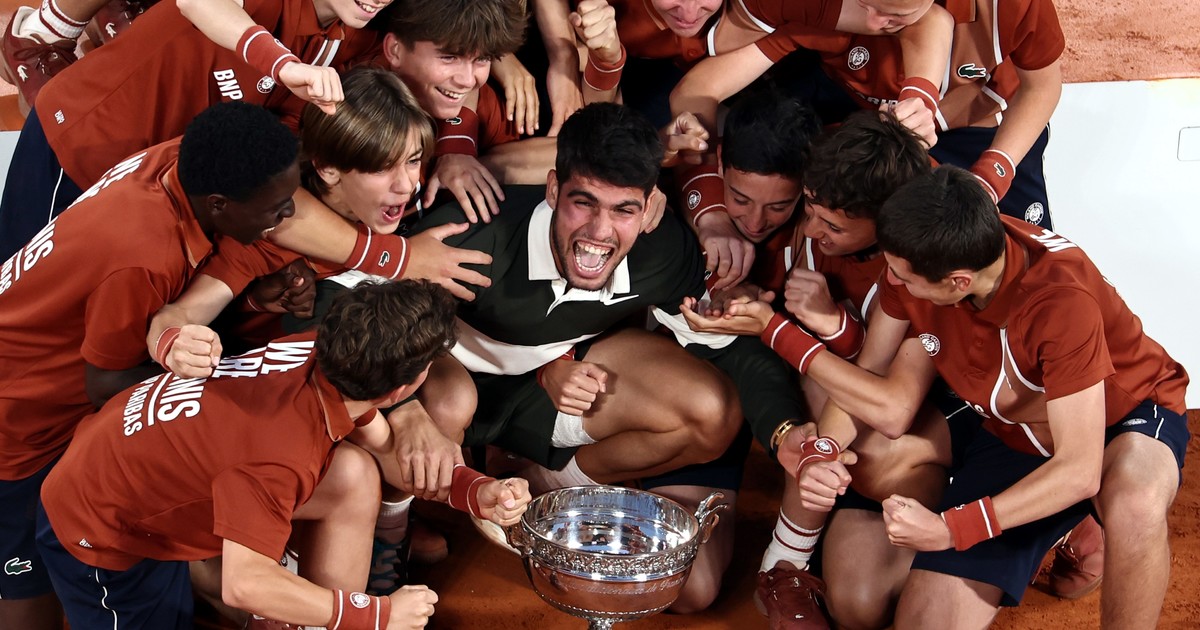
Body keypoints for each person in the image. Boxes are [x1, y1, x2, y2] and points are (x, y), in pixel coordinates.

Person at [692, 165, 1190, 629]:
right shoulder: (933, 248)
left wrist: (954, 529)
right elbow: (869, 371)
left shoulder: (1059, 301)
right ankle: (1056, 524)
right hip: (1016, 429)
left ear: (957, 283)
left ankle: (1082, 518)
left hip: (1121, 418)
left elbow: (1079, 469)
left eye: (904, 277)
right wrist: (824, 448)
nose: (892, 282)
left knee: (1134, 502)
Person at [36, 280, 532, 630]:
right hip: (96, 528)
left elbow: (386, 448)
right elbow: (245, 584)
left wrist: (475, 492)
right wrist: (377, 616)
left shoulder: (328, 352)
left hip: (135, 464)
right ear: (405, 388)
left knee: (353, 471)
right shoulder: (280, 453)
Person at [0, 101, 300, 630]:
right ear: (219, 204)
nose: (290, 215)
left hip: (44, 384)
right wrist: (230, 377)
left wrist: (248, 302)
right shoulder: (143, 255)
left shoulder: (177, 160)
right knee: (28, 579)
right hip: (20, 424)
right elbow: (105, 383)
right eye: (276, 207)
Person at [0, 0, 384, 261]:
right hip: (83, 148)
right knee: (18, 294)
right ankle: (42, 32)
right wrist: (281, 64)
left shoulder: (357, 37)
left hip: (150, 183)